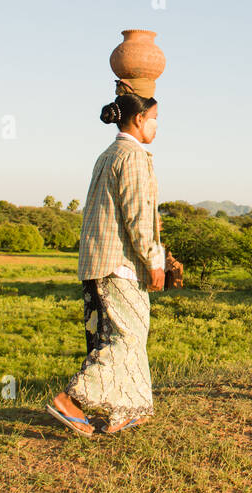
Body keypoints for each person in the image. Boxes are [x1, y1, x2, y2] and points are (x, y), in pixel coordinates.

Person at [47, 91, 165, 436]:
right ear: (139, 119)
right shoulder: (133, 156)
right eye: (155, 118)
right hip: (120, 264)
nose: (157, 126)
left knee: (121, 336)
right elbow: (139, 217)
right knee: (126, 339)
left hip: (98, 261)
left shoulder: (108, 154)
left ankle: (126, 410)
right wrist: (154, 261)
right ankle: (72, 401)